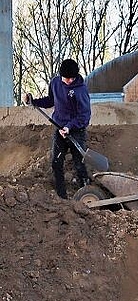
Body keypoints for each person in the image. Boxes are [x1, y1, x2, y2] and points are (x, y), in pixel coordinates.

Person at [24, 59, 91, 199]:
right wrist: (33, 101)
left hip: (76, 131)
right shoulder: (55, 83)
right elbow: (50, 100)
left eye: (72, 78)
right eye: (66, 78)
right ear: (61, 75)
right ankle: (62, 198)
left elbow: (84, 116)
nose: (69, 81)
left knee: (79, 164)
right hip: (59, 129)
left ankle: (86, 195)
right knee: (56, 162)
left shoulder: (81, 90)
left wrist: (69, 126)